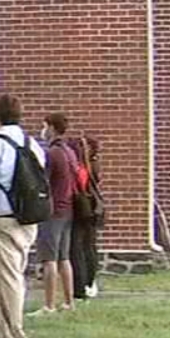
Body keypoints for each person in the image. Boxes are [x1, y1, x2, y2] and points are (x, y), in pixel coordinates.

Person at [0, 94, 44, 338]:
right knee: (16, 270)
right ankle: (7, 321)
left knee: (9, 275)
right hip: (29, 216)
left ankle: (13, 328)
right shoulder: (32, 144)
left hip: (1, 215)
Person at [35, 112, 79, 314]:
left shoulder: (52, 153)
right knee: (64, 257)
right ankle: (69, 301)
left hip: (52, 211)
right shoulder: (69, 151)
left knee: (49, 259)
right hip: (68, 208)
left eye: (44, 126)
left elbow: (43, 181)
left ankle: (49, 304)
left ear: (51, 128)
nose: (43, 130)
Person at [71, 134, 107, 300]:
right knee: (89, 246)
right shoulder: (93, 164)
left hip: (84, 210)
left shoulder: (85, 167)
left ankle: (83, 283)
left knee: (80, 247)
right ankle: (89, 282)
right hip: (92, 209)